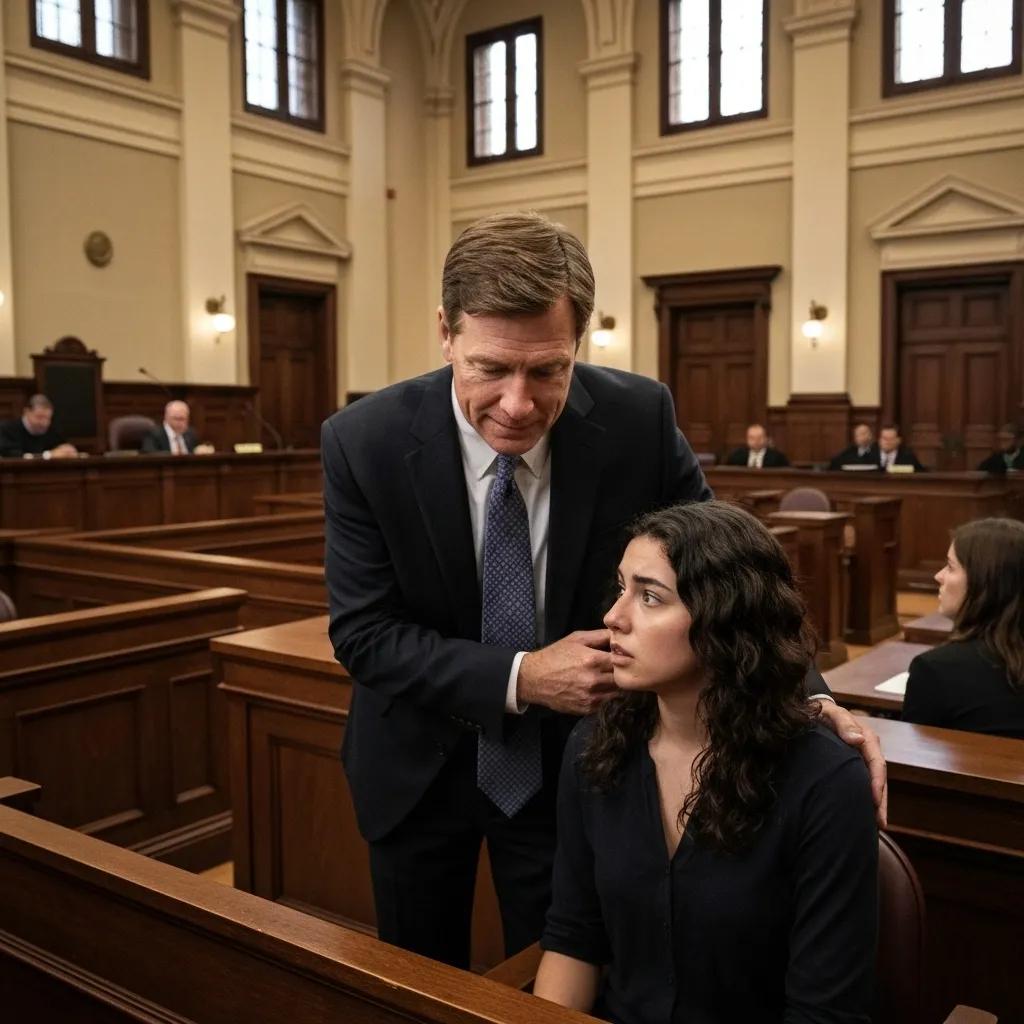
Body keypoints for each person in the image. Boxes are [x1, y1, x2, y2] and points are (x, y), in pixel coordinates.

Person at [321, 211, 885, 970]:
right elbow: (363, 634)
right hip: (416, 770)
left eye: (548, 370)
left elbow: (731, 574)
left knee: (569, 968)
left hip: (581, 770)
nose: (518, 404)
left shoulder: (637, 418)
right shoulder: (364, 439)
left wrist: (810, 699)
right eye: (491, 368)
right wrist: (523, 677)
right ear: (446, 334)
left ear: (579, 343)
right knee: (420, 984)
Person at [535, 502, 877, 1024]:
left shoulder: (825, 781)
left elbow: (824, 1012)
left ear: (726, 617)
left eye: (649, 597)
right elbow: (574, 938)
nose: (613, 617)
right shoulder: (594, 746)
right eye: (621, 586)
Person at [902, 518, 1024, 739]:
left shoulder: (935, 669)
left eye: (950, 567)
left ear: (985, 582)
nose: (938, 576)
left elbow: (914, 759)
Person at [0, 394, 78, 459]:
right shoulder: (7, 430)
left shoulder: (52, 431)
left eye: (48, 418)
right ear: (27, 412)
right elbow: (11, 456)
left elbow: (63, 446)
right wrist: (48, 455)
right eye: (39, 417)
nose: (44, 423)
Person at [140, 400, 213, 454]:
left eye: (182, 419)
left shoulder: (191, 434)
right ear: (166, 417)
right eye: (175, 418)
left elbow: (197, 451)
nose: (179, 422)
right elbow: (149, 454)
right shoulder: (154, 433)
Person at [724, 423, 789, 468]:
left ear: (766, 439)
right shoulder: (737, 456)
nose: (756, 441)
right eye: (752, 438)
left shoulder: (777, 458)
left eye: (760, 438)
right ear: (747, 439)